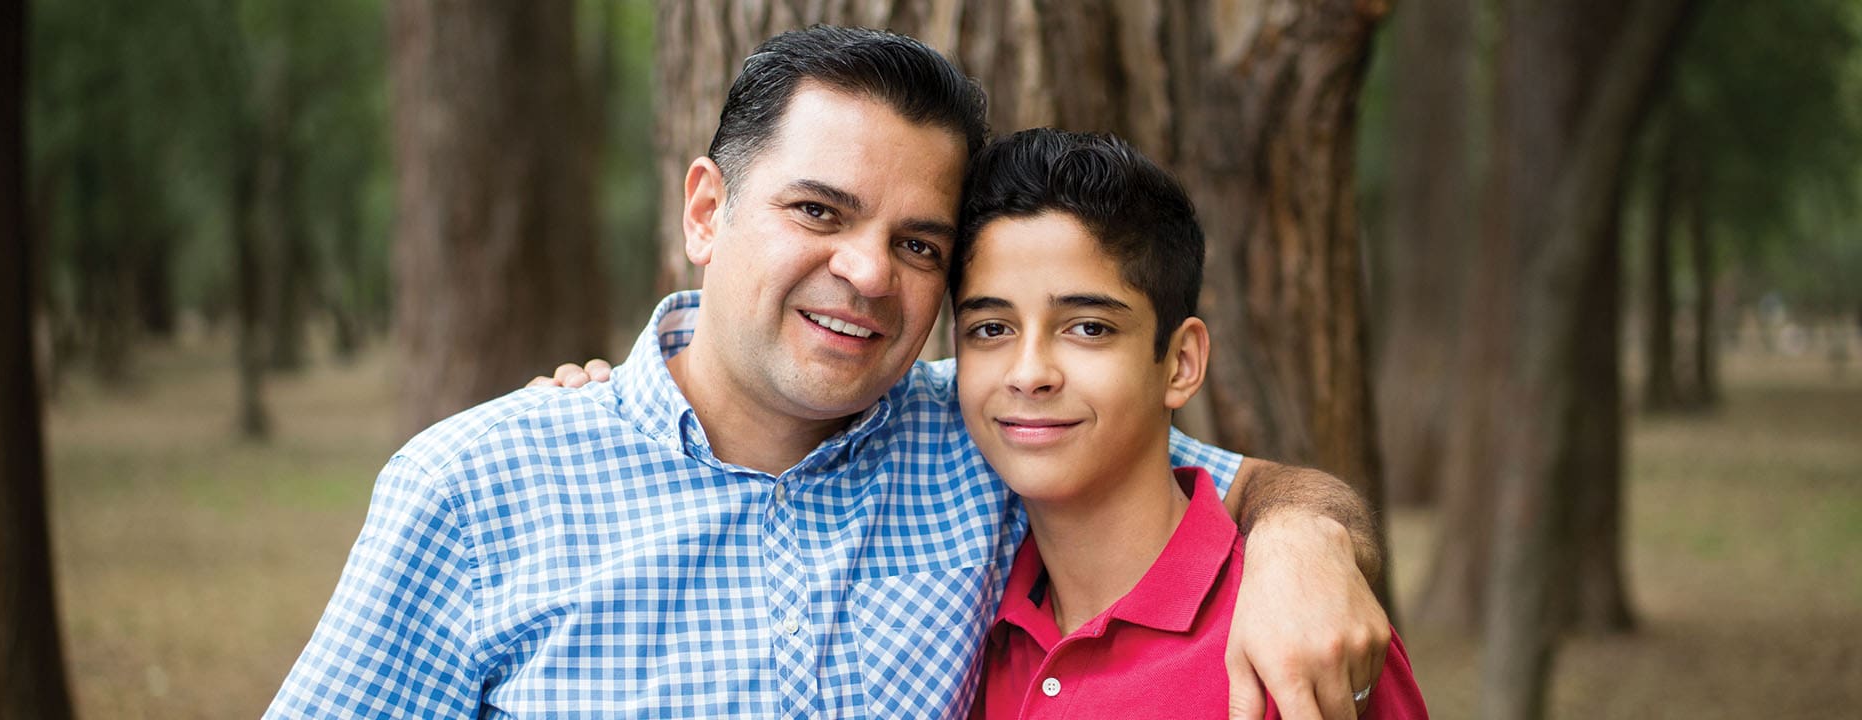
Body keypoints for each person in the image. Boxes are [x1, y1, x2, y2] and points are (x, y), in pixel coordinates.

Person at [272, 26, 1389, 719]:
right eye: (819, 211)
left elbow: (1241, 487)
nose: (865, 272)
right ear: (707, 210)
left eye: (917, 244)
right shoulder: (472, 491)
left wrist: (1307, 544)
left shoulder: (982, 430)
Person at [948, 129, 1425, 719]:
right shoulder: (976, 639)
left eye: (1089, 327)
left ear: (1180, 363)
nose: (1028, 374)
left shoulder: (1295, 633)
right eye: (992, 328)